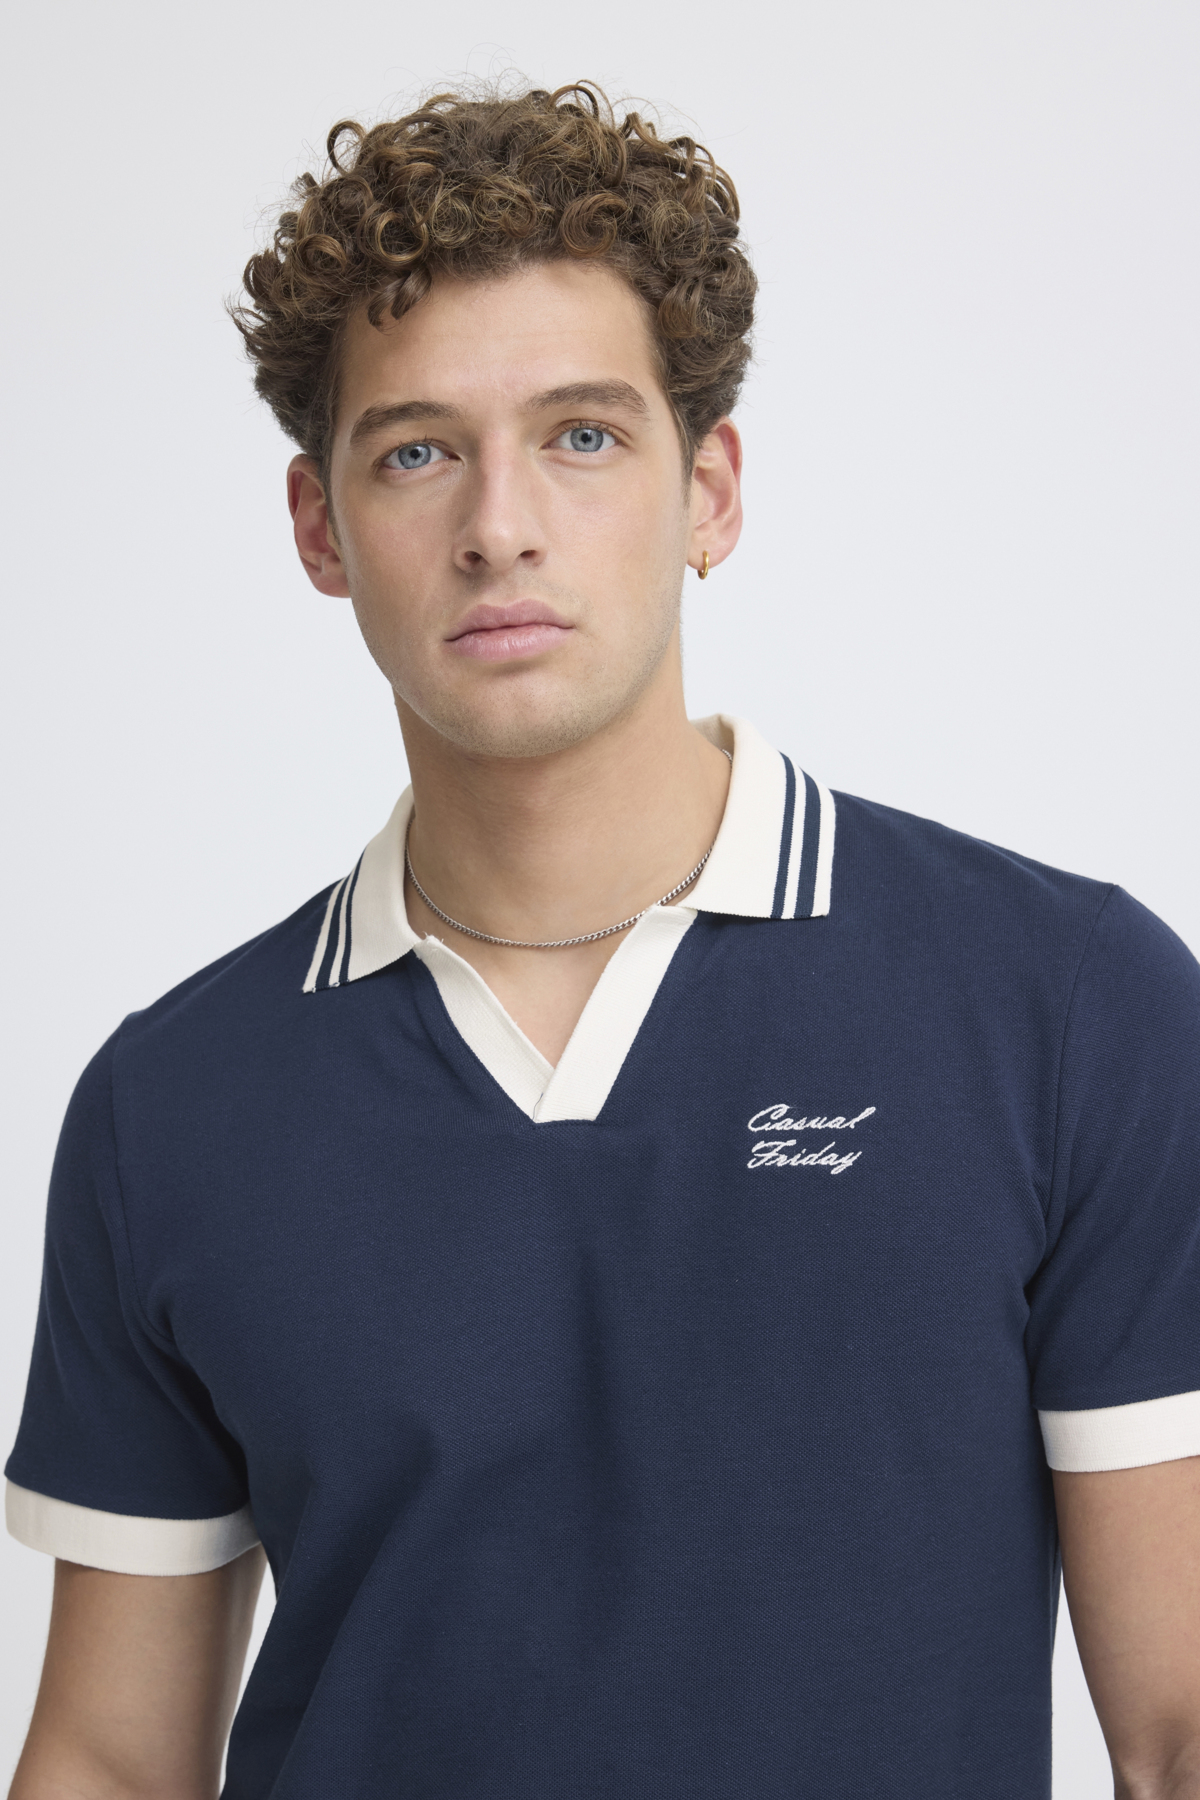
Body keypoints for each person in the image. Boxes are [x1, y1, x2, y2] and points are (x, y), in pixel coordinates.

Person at [5, 81, 1200, 1800]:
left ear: (709, 491)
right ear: (321, 528)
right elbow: (111, 1762)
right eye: (418, 450)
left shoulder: (1068, 1010)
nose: (500, 523)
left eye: (581, 436)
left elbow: (1174, 1736)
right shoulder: (170, 1106)